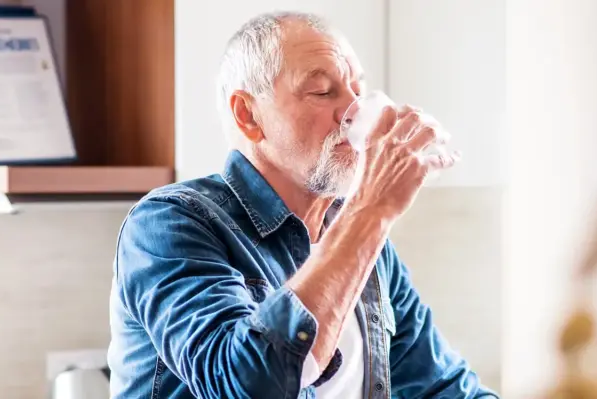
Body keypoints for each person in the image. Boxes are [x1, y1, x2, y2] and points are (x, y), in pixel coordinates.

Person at [107, 10, 498, 399]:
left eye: (357, 91)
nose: (353, 112)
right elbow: (243, 387)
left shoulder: (366, 242)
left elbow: (442, 386)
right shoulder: (169, 224)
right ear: (248, 115)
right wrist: (370, 209)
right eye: (323, 92)